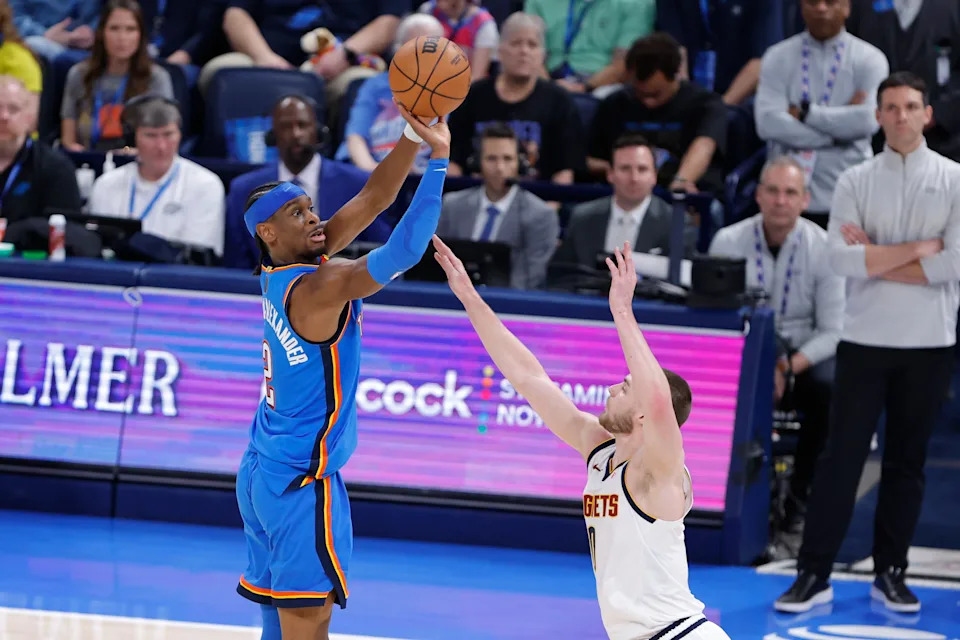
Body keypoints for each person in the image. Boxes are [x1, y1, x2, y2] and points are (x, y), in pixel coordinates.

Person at [433, 236, 730, 640]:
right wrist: (469, 298)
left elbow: (659, 399)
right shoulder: (598, 449)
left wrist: (622, 311)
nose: (610, 388)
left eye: (625, 387)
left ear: (646, 413)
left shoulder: (659, 471)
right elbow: (528, 377)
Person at [234, 105, 450, 640]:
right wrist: (439, 162)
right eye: (299, 214)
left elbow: (375, 197)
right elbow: (405, 249)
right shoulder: (318, 286)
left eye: (311, 209)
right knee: (307, 630)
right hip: (300, 483)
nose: (314, 219)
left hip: (262, 469)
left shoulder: (280, 270)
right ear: (268, 231)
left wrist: (410, 135)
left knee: (276, 623)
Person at [775, 71, 960, 614]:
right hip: (863, 339)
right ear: (877, 116)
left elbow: (954, 264)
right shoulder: (855, 180)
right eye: (891, 107)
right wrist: (918, 250)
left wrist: (878, 256)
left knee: (907, 463)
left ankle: (892, 573)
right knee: (841, 460)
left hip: (929, 341)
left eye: (910, 106)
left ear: (927, 114)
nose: (900, 116)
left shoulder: (955, 179)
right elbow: (839, 260)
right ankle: (813, 574)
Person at [708, 155, 843, 533]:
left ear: (805, 200)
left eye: (790, 192)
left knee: (830, 387)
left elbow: (834, 330)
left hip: (802, 356)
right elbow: (719, 319)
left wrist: (784, 366)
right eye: (772, 191)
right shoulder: (728, 241)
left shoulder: (825, 248)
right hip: (745, 351)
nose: (780, 200)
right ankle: (718, 492)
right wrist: (759, 365)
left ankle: (801, 498)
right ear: (758, 196)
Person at [755, 0, 888, 223]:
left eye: (830, 2)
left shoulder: (870, 59)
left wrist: (806, 115)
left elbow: (867, 121)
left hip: (849, 192)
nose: (821, 9)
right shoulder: (776, 56)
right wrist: (839, 133)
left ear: (847, 7)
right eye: (813, 2)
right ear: (801, 7)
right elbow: (767, 123)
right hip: (786, 196)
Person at [226, 94, 390, 270]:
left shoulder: (357, 184)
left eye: (302, 125)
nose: (296, 134)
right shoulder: (244, 191)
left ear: (318, 132)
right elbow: (235, 267)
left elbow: (382, 253)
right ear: (272, 136)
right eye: (286, 127)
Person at [89, 95, 225, 258]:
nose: (161, 146)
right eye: (151, 136)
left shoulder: (205, 185)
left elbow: (198, 257)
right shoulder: (106, 185)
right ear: (134, 139)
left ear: (180, 135)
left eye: (168, 134)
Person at [437, 122, 558, 289]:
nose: (500, 168)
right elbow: (434, 266)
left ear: (521, 164)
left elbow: (529, 280)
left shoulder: (541, 216)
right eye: (491, 158)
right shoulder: (452, 205)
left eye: (507, 159)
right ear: (477, 163)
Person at [553, 133, 696, 270]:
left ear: (654, 176)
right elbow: (564, 276)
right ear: (610, 174)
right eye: (625, 169)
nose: (634, 178)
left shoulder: (677, 223)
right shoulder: (582, 217)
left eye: (642, 169)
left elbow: (680, 285)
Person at [60, 0, 174, 152]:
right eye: (114, 29)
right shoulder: (79, 74)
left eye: (130, 29)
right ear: (101, 33)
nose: (122, 37)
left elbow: (164, 141)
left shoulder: (157, 78)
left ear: (140, 35)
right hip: (87, 164)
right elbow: (68, 141)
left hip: (137, 164)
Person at [0, 74, 80, 225]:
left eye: (13, 109)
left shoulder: (56, 168)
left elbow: (71, 233)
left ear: (29, 118)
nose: (4, 116)